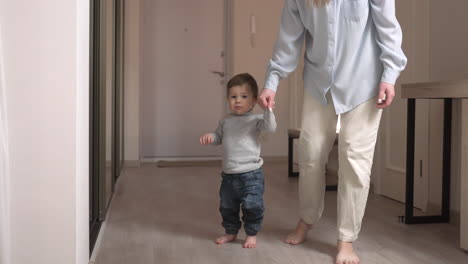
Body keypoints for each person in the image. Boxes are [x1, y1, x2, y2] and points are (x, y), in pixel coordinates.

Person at [259, 0, 407, 263]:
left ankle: (346, 239)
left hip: (365, 82)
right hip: (319, 83)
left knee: (355, 160)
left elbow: (388, 28)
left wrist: (389, 75)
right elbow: (288, 40)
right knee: (310, 154)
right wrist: (272, 82)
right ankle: (307, 219)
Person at [200, 73, 277, 248]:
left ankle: (251, 233)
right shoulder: (226, 121)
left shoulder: (256, 120)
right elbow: (219, 137)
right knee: (227, 207)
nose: (238, 101)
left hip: (251, 175)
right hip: (229, 176)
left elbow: (271, 127)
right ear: (228, 99)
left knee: (252, 205)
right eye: (233, 97)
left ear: (253, 100)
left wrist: (267, 109)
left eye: (243, 96)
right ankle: (230, 232)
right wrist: (210, 137)